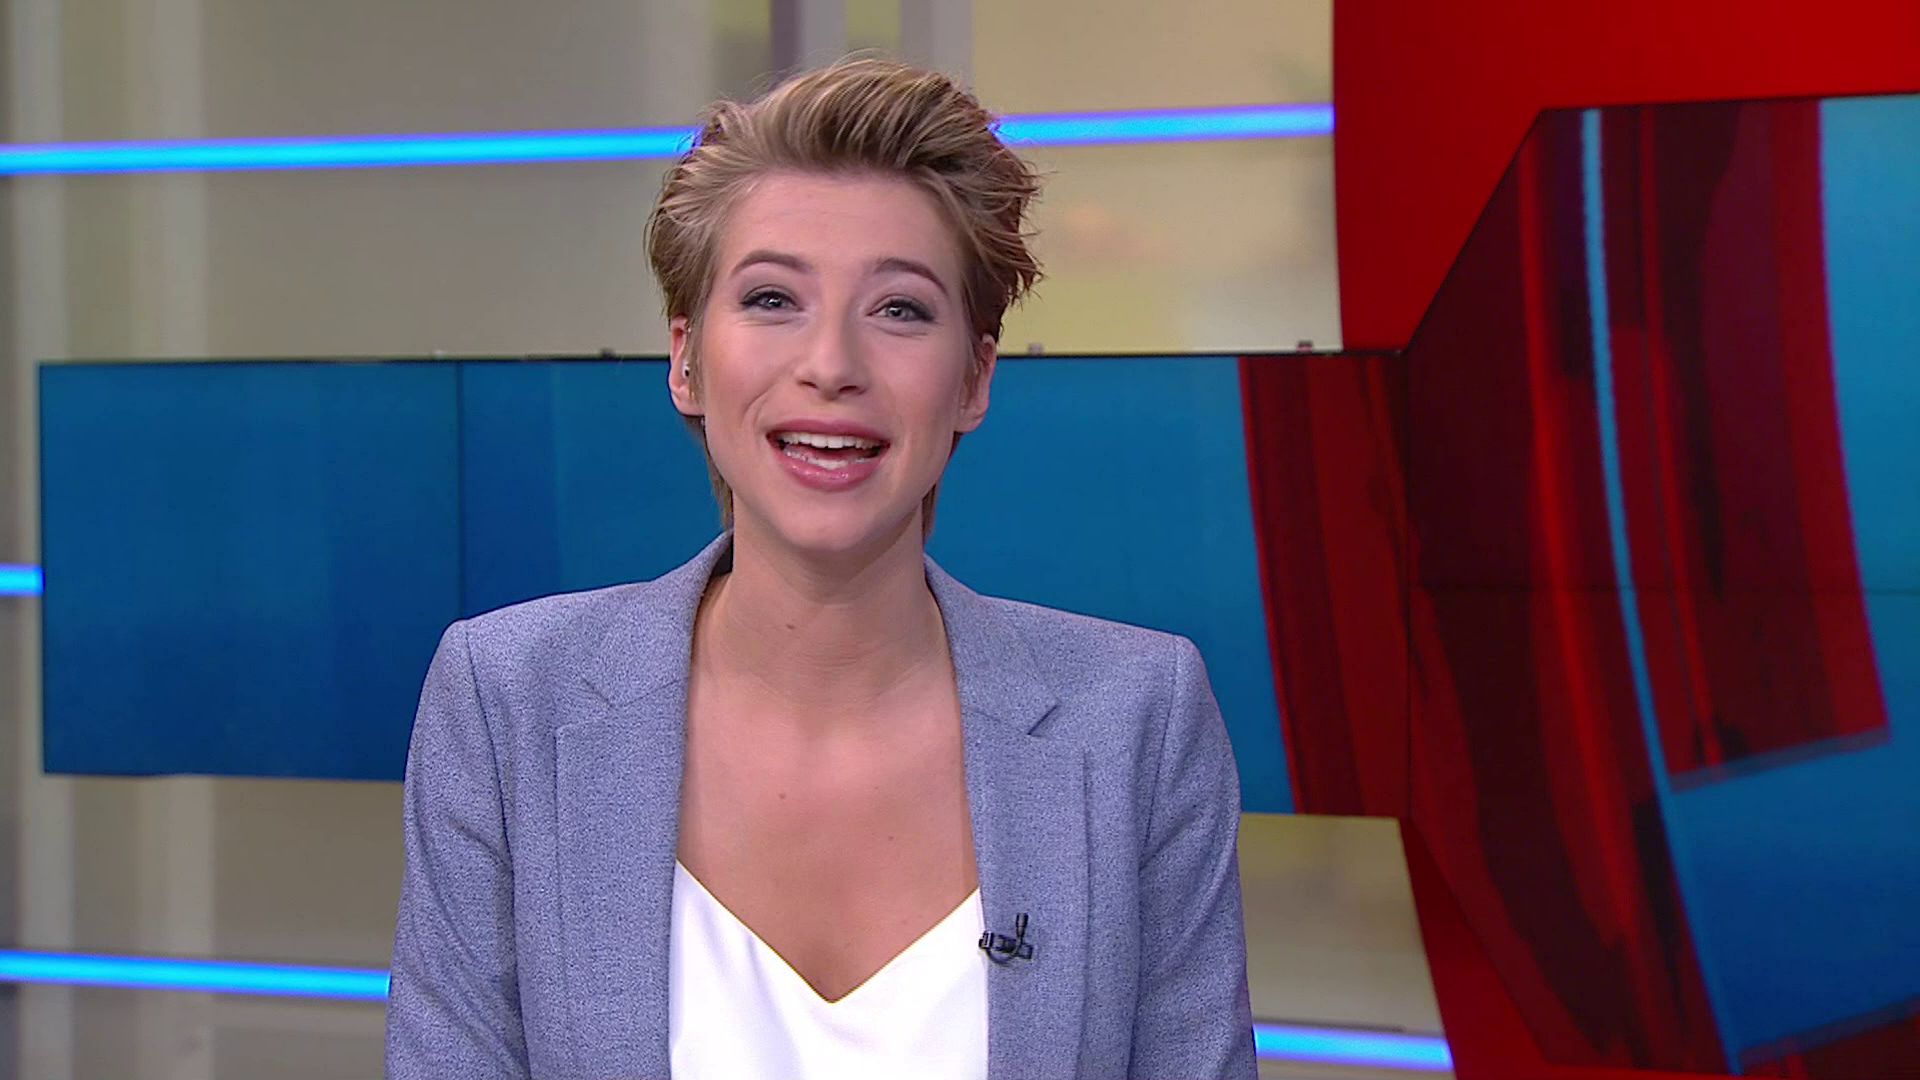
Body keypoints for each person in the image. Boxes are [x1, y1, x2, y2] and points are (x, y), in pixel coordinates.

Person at [384, 57, 1255, 1080]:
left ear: (975, 378)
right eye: (772, 299)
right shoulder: (506, 700)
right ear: (686, 361)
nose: (832, 364)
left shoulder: (1138, 718)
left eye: (900, 309)